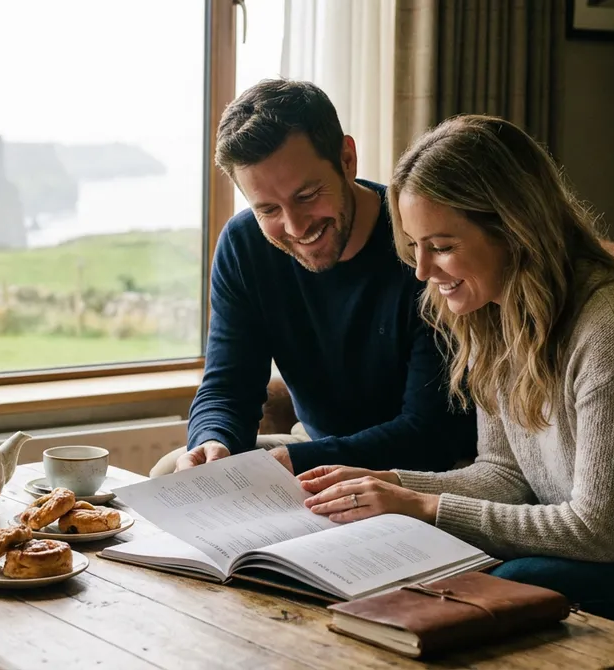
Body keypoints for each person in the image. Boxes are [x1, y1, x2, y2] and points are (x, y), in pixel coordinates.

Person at [297, 113, 614, 650]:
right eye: (415, 246)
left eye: (442, 246)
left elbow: (596, 532)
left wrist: (424, 507)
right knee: (490, 574)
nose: (422, 271)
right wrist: (393, 486)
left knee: (519, 583)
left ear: (513, 229)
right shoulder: (491, 313)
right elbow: (503, 475)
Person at [151, 78, 477, 477]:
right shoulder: (245, 246)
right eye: (268, 209)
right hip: (315, 446)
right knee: (174, 471)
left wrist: (300, 463)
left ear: (347, 159)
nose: (294, 226)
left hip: (423, 465)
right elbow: (228, 385)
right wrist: (211, 441)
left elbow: (430, 433)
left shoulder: (421, 246)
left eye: (306, 196)